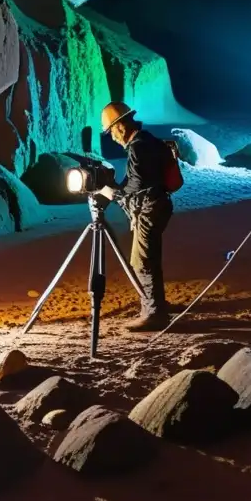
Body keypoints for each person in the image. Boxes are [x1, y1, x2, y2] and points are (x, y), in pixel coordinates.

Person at [95, 102, 174, 331]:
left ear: (120, 126)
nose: (112, 137)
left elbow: (137, 184)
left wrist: (113, 193)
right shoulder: (148, 140)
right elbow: (140, 178)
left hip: (149, 209)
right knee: (149, 257)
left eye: (111, 131)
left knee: (142, 261)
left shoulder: (138, 147)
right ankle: (156, 304)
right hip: (159, 205)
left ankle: (154, 313)